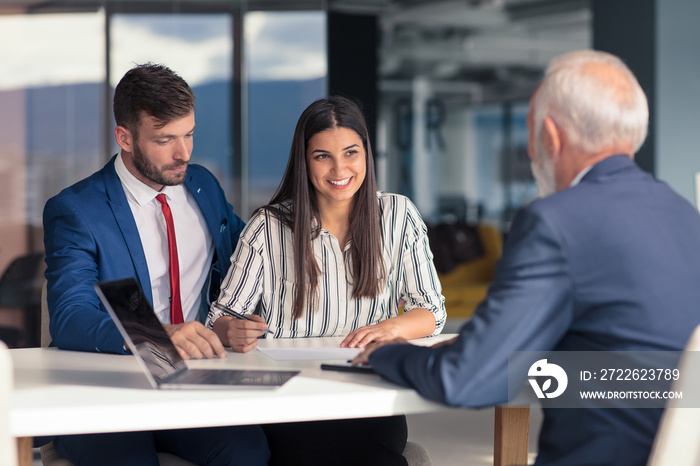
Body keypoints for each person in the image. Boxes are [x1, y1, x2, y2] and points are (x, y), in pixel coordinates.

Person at [354, 49, 700, 466]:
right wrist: (496, 341)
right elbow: (630, 350)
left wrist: (385, 353)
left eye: (531, 134)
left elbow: (468, 381)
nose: (533, 153)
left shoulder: (555, 220)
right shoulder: (684, 214)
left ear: (551, 137)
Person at [43, 63, 269, 465]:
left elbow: (250, 256)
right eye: (165, 140)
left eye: (189, 135)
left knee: (249, 452)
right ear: (125, 137)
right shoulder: (76, 210)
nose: (183, 153)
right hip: (108, 386)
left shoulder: (203, 186)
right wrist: (158, 335)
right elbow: (70, 317)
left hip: (195, 380)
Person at [206, 95, 446, 465]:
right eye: (323, 156)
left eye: (351, 153)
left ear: (367, 153)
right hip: (289, 402)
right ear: (304, 160)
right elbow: (219, 319)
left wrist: (391, 328)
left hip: (367, 398)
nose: (339, 169)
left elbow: (431, 311)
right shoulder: (267, 228)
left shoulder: (399, 215)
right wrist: (231, 331)